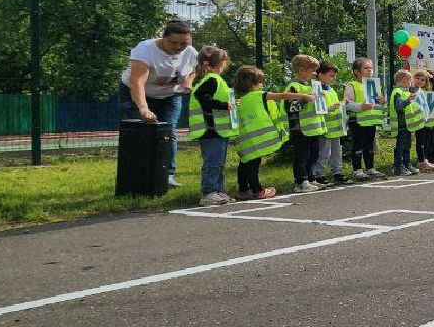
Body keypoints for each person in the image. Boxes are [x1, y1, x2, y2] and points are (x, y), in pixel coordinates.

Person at [121, 19, 198, 187]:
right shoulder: (146, 50)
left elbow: (193, 71)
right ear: (163, 37)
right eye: (174, 43)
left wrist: (188, 82)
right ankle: (138, 176)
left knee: (168, 131)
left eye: (183, 44)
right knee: (140, 132)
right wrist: (143, 108)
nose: (178, 47)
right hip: (138, 93)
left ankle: (166, 176)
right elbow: (137, 83)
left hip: (170, 96)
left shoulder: (191, 52)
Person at [231, 65, 309, 200]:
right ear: (253, 82)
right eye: (260, 81)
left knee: (245, 162)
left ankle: (244, 190)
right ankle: (258, 190)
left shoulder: (240, 100)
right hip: (258, 139)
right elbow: (284, 95)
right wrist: (306, 96)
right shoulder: (261, 95)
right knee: (254, 165)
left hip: (244, 139)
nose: (262, 85)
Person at [188, 45, 236, 205]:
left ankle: (218, 191)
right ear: (220, 63)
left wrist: (229, 104)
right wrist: (224, 105)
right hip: (210, 129)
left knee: (219, 163)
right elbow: (203, 98)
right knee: (213, 162)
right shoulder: (212, 80)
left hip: (218, 130)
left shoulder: (214, 80)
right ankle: (208, 192)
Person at [285, 54, 328, 193]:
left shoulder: (311, 86)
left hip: (313, 129)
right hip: (300, 129)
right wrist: (305, 100)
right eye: (313, 70)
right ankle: (300, 181)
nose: (315, 73)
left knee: (313, 155)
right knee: (302, 156)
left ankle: (310, 178)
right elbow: (290, 108)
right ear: (302, 70)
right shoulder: (293, 87)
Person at [344, 58, 384, 180]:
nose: (369, 70)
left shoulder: (374, 85)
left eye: (371, 68)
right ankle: (357, 169)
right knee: (358, 145)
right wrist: (360, 107)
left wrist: (382, 101)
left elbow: (377, 104)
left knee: (369, 146)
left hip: (371, 121)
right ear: (357, 71)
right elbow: (347, 103)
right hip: (357, 120)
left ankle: (370, 168)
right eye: (366, 68)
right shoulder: (352, 85)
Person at [311, 62, 347, 186]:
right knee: (325, 152)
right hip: (325, 127)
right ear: (320, 75)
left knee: (337, 151)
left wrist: (342, 104)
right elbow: (319, 108)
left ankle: (338, 172)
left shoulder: (331, 89)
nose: (334, 78)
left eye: (334, 76)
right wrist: (333, 107)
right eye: (331, 76)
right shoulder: (317, 89)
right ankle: (319, 174)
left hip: (336, 127)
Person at [405, 69, 431, 170]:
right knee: (419, 141)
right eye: (417, 78)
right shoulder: (412, 89)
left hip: (422, 119)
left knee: (423, 141)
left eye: (423, 80)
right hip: (415, 119)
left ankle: (424, 160)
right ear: (413, 79)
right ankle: (421, 161)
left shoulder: (421, 91)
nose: (420, 81)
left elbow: (424, 105)